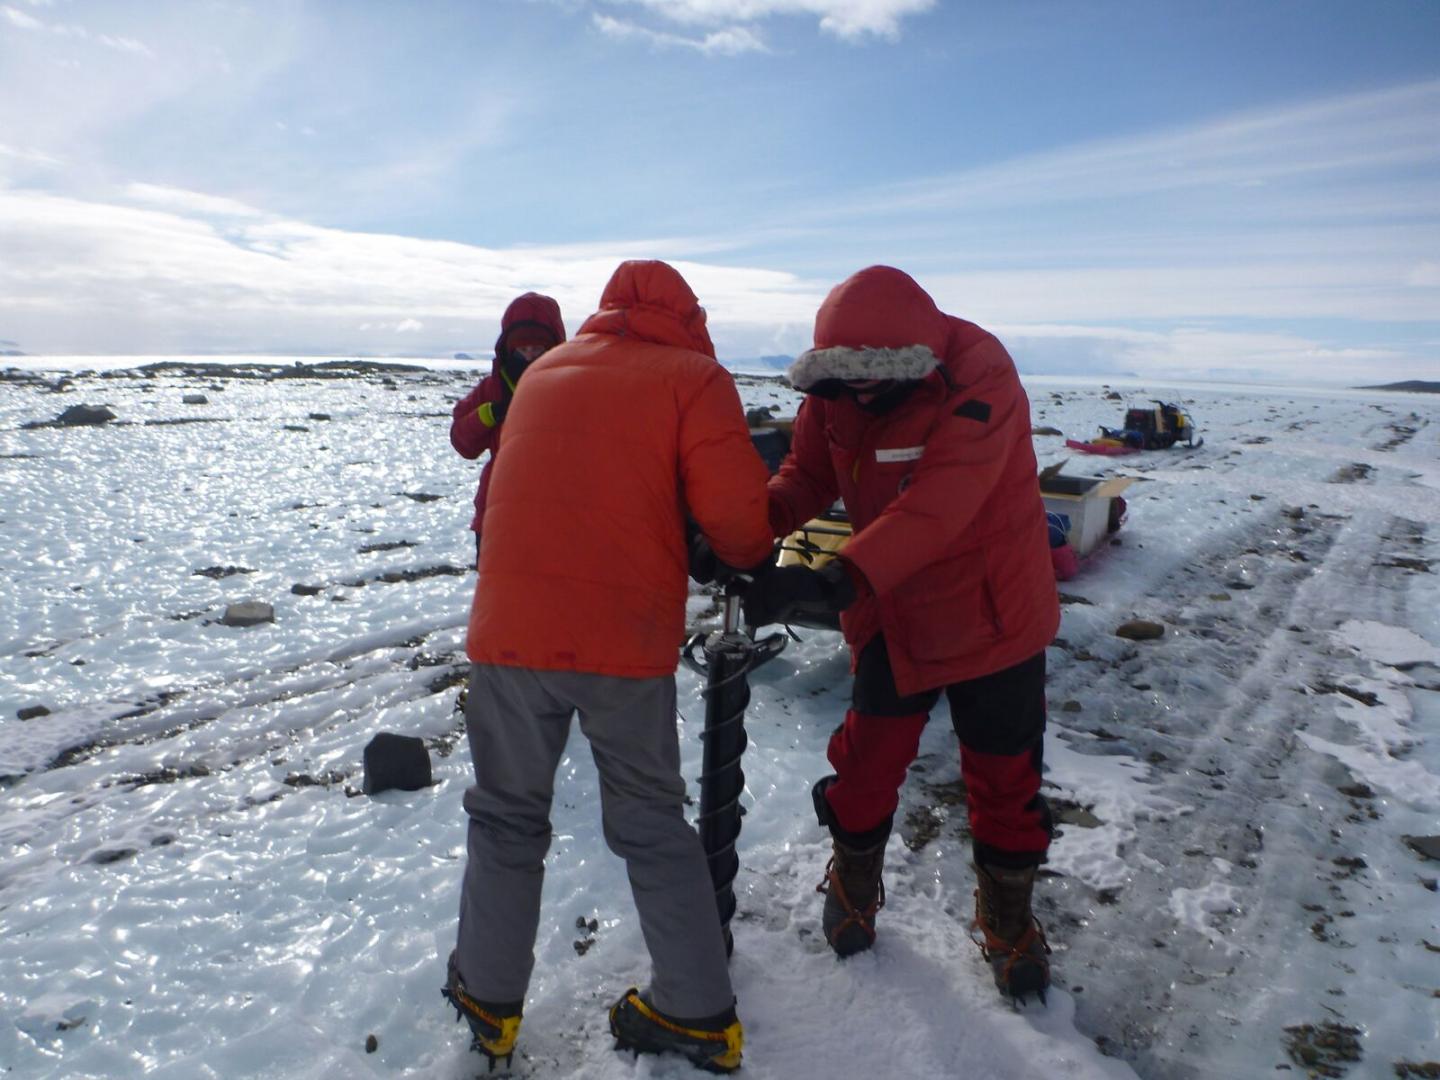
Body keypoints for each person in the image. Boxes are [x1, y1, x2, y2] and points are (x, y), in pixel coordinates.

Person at [443, 260, 773, 1072]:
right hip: (622, 643)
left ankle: (488, 1004)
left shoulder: (548, 370)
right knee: (651, 824)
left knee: (506, 818)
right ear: (687, 317)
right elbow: (738, 527)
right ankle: (697, 1014)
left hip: (508, 636)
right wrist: (739, 553)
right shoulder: (695, 378)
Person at [745, 265, 1062, 1002]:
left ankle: (1007, 921)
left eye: (872, 377)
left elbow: (942, 502)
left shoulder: (979, 373)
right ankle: (855, 881)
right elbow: (803, 476)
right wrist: (742, 534)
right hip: (895, 608)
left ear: (911, 360)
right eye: (842, 377)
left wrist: (833, 580)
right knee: (864, 768)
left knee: (1005, 782)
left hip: (994, 615)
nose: (856, 392)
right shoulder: (836, 396)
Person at [449, 293, 566, 566]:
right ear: (509, 349)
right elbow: (463, 443)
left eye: (538, 350)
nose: (529, 357)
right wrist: (489, 414)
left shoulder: (569, 387)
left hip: (556, 513)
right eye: (522, 350)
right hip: (497, 514)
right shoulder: (491, 389)